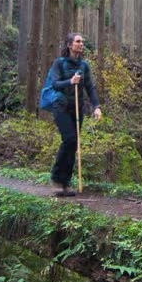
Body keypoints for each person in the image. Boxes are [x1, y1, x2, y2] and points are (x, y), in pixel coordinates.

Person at [46, 32, 102, 197]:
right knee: (69, 139)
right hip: (60, 106)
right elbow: (55, 84)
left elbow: (90, 88)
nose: (81, 44)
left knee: (74, 144)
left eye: (82, 42)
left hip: (77, 108)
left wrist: (96, 106)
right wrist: (70, 81)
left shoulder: (84, 66)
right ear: (70, 45)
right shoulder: (59, 63)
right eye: (78, 41)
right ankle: (56, 180)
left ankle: (65, 183)